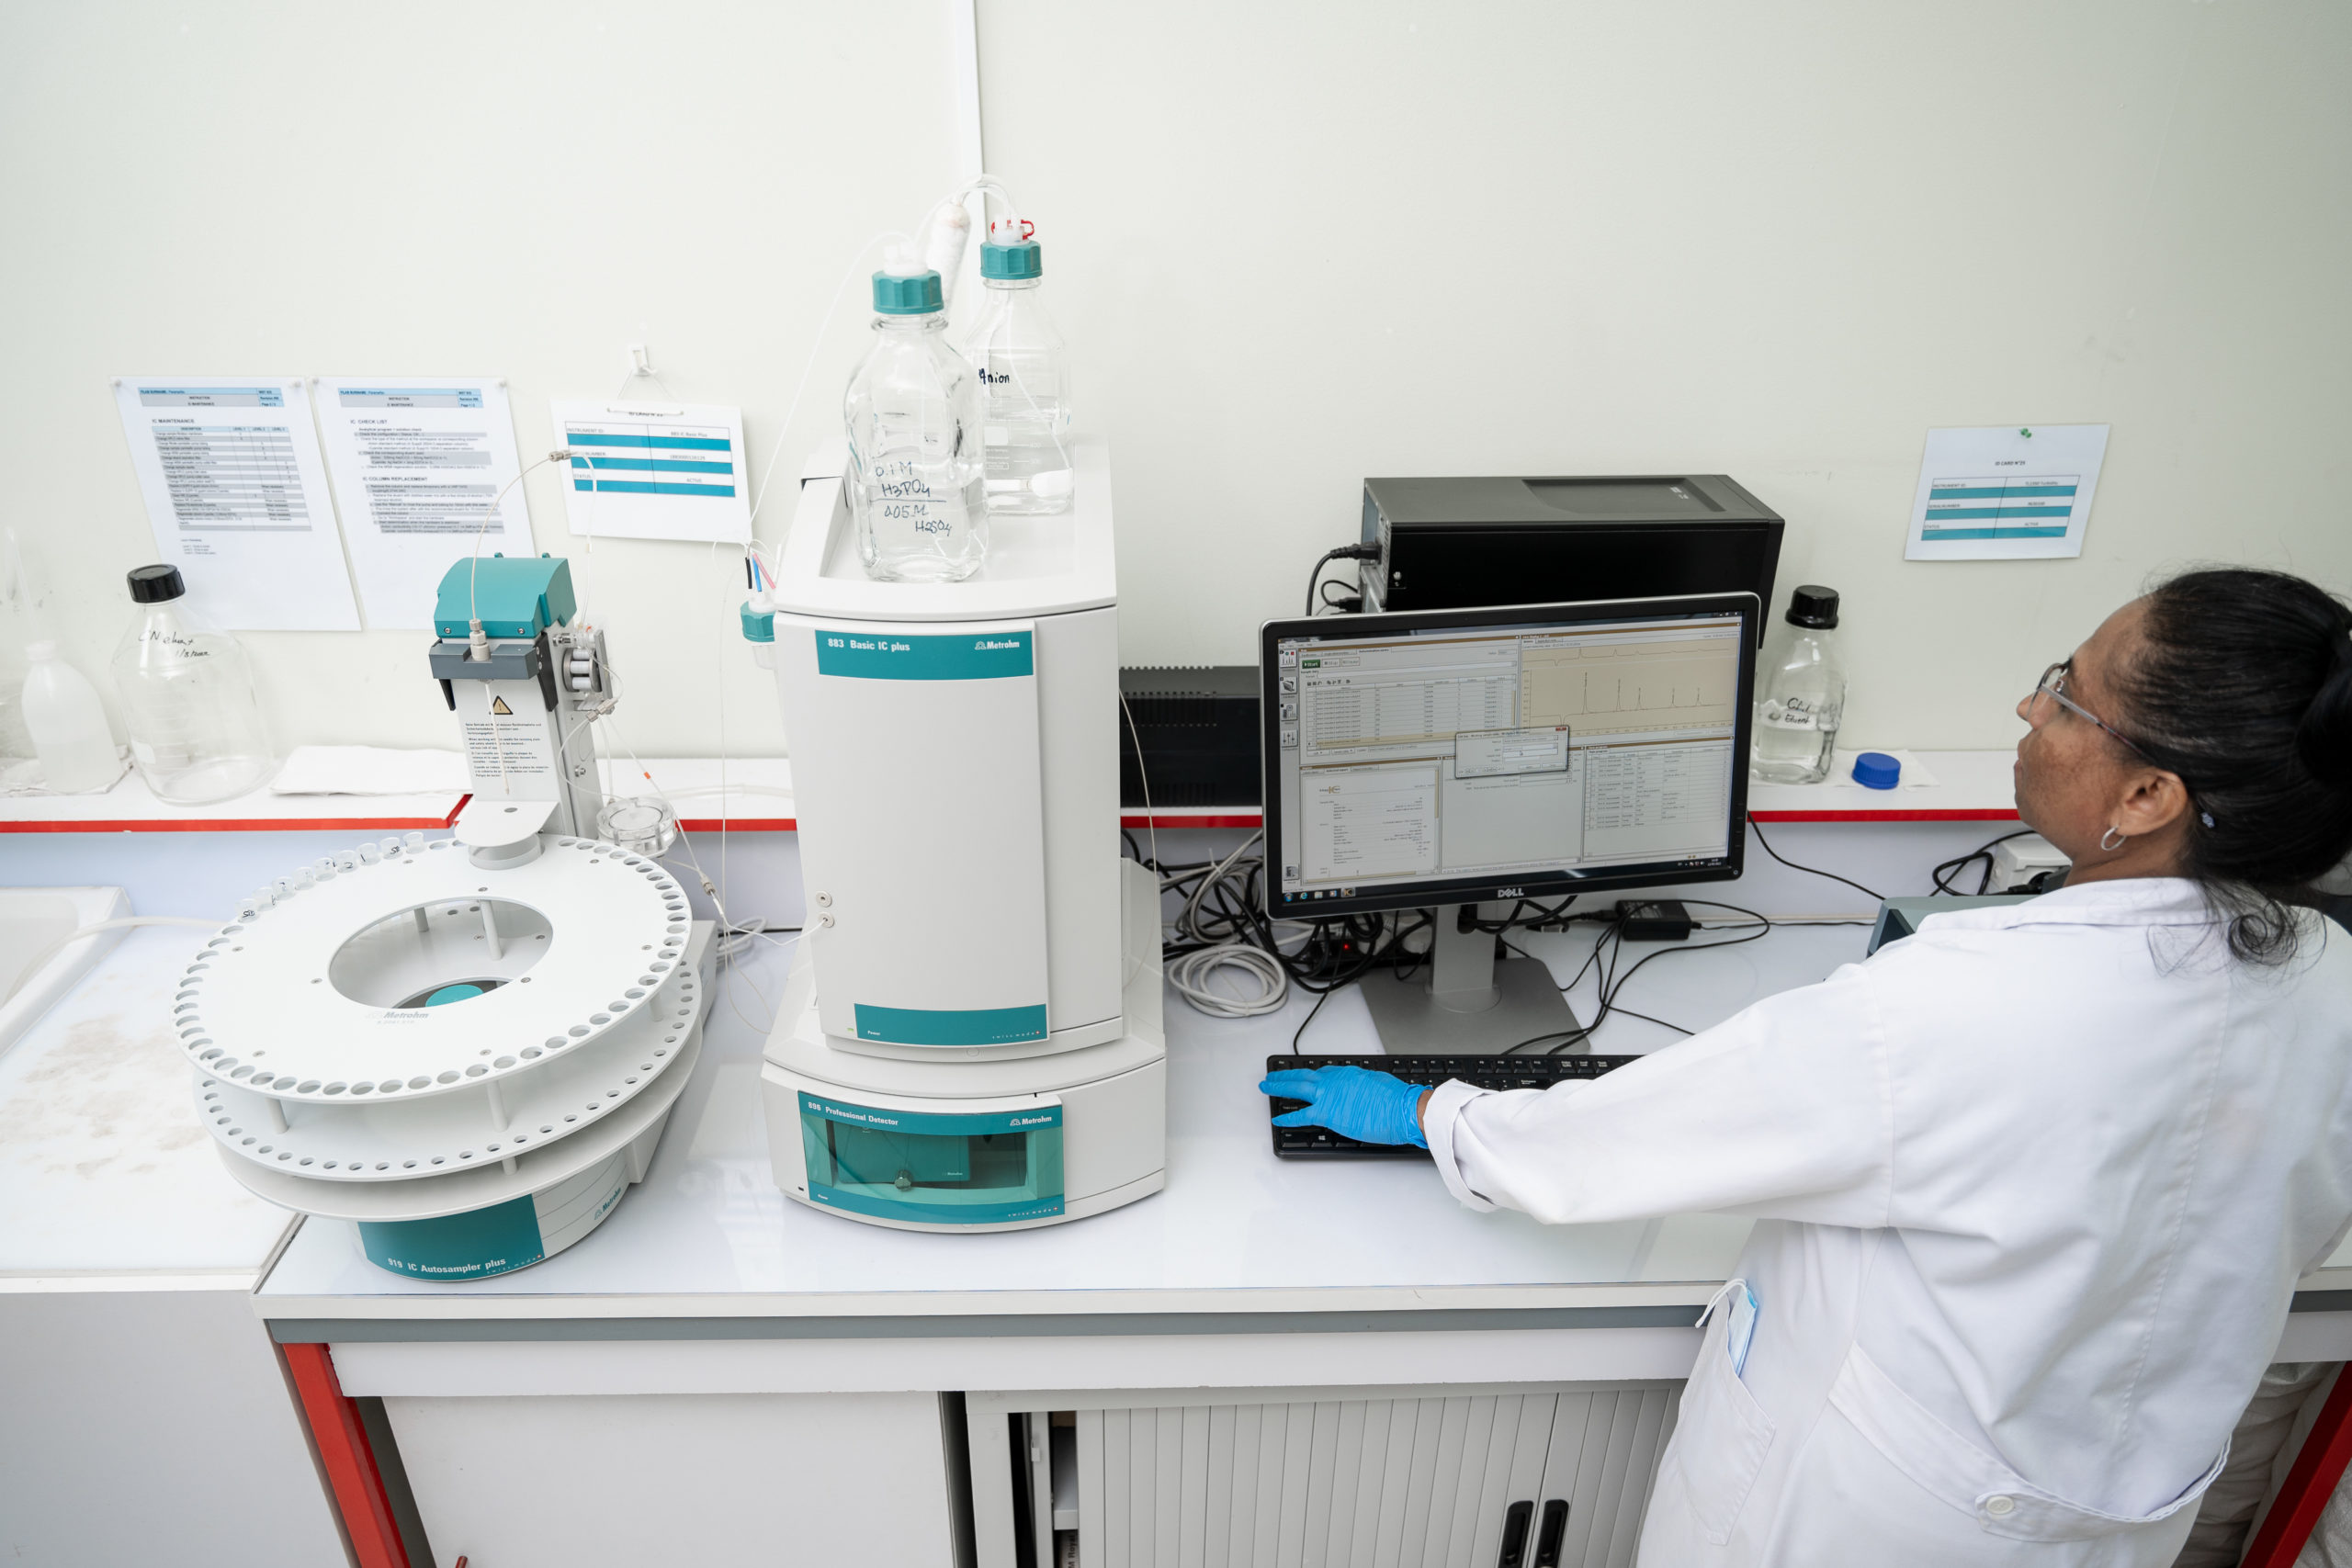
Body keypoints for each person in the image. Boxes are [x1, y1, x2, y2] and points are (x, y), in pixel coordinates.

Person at [1261, 568, 2352, 1567]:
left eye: (2068, 695)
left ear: (2147, 798)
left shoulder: (1960, 1006)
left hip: (1877, 1518)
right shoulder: (2330, 975)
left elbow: (1623, 1141)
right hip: (2118, 1518)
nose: (2030, 708)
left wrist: (1435, 1114)